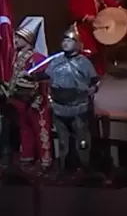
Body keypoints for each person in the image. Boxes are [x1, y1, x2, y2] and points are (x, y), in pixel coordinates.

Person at [45, 26, 99, 173]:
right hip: (59, 106)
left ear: (77, 43)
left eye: (69, 40)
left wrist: (93, 89)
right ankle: (64, 167)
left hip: (78, 107)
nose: (65, 43)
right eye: (64, 40)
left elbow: (95, 81)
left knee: (82, 139)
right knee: (63, 141)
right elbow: (46, 75)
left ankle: (85, 166)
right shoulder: (56, 61)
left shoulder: (84, 62)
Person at [4, 17, 53, 171]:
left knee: (41, 130)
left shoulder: (37, 58)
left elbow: (43, 81)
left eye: (19, 37)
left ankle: (45, 161)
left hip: (35, 100)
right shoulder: (14, 56)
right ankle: (27, 157)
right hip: (20, 100)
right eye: (16, 37)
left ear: (28, 40)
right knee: (24, 129)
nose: (15, 40)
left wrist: (39, 99)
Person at [67, 0, 120, 76]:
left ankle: (97, 73)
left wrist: (118, 8)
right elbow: (73, 9)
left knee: (99, 51)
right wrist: (85, 16)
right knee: (88, 51)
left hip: (96, 25)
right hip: (83, 27)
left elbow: (107, 0)